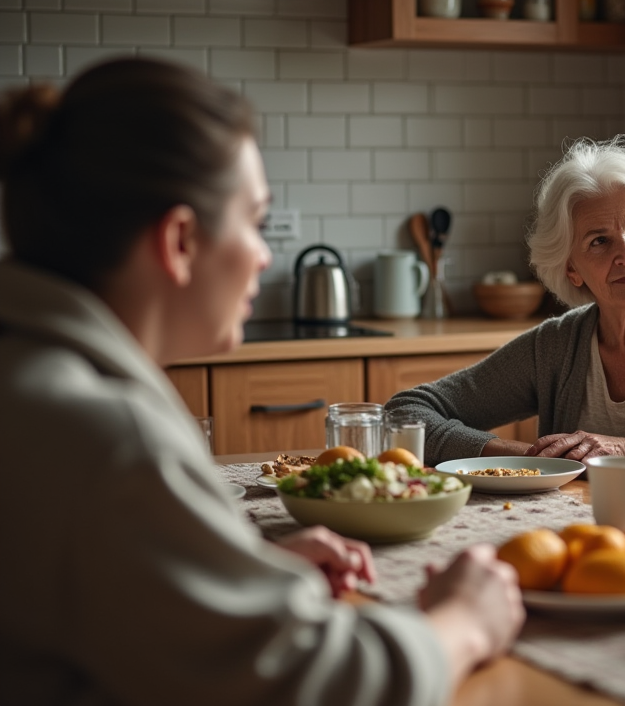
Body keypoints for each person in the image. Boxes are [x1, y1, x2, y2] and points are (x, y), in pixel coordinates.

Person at [0, 58, 524, 704]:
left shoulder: (29, 378)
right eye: (254, 220)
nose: (265, 253)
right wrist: (463, 623)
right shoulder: (106, 434)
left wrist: (237, 572)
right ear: (181, 240)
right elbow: (312, 685)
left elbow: (92, 588)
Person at [387, 136, 625, 493]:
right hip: (572, 540)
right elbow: (403, 413)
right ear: (572, 269)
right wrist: (527, 460)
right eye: (599, 241)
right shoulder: (557, 346)